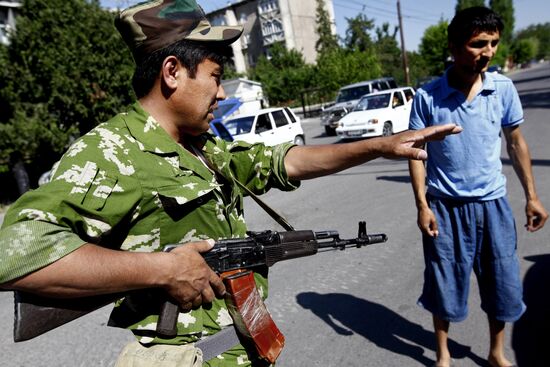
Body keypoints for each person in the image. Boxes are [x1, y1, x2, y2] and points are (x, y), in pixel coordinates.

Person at [0, 1, 461, 366]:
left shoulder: (201, 145)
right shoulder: (112, 151)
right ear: (173, 72)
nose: (223, 93)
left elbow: (284, 161)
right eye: (216, 78)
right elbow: (14, 255)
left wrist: (379, 146)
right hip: (186, 357)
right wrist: (162, 270)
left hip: (236, 348)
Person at [408, 7, 548, 367]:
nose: (488, 52)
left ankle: (496, 352)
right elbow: (416, 153)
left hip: (493, 206)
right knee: (444, 283)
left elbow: (516, 143)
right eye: (478, 44)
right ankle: (442, 354)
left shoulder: (502, 88)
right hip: (445, 209)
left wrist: (532, 196)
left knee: (501, 281)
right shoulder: (427, 97)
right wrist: (422, 205)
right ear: (454, 46)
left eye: (494, 43)